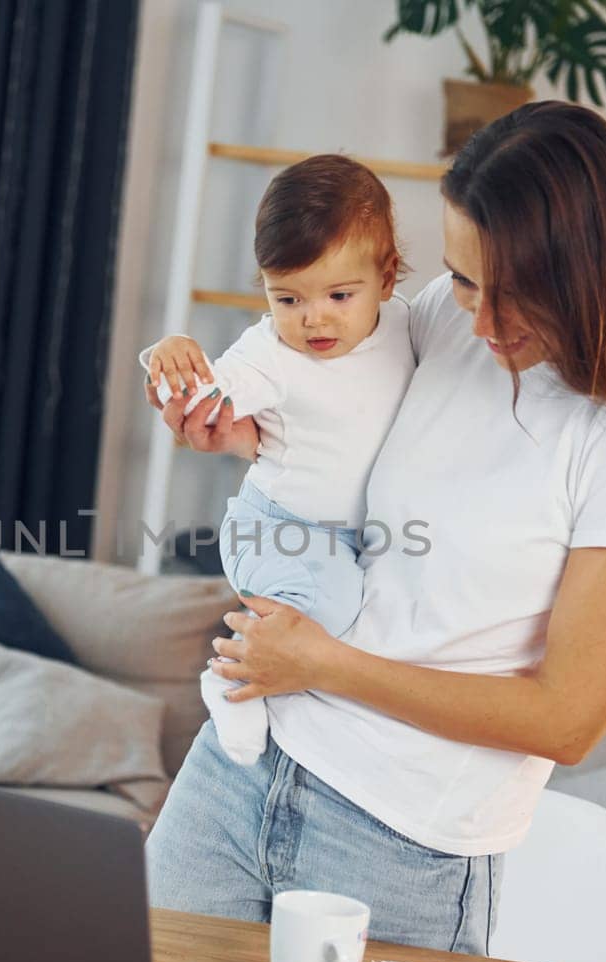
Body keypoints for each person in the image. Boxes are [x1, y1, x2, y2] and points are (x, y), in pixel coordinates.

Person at [140, 101, 606, 955]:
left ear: (591, 272)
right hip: (241, 769)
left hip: (398, 844)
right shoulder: (448, 320)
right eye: (465, 278)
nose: (481, 321)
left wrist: (325, 663)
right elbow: (333, 412)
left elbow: (565, 719)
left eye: (516, 295)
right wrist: (233, 426)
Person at [141, 155, 414, 765]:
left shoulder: (403, 329)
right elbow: (201, 394)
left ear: (388, 278)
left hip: (345, 539)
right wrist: (170, 359)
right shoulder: (269, 353)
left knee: (363, 618)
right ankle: (231, 680)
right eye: (287, 297)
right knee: (334, 612)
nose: (313, 317)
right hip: (274, 531)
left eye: (339, 294)